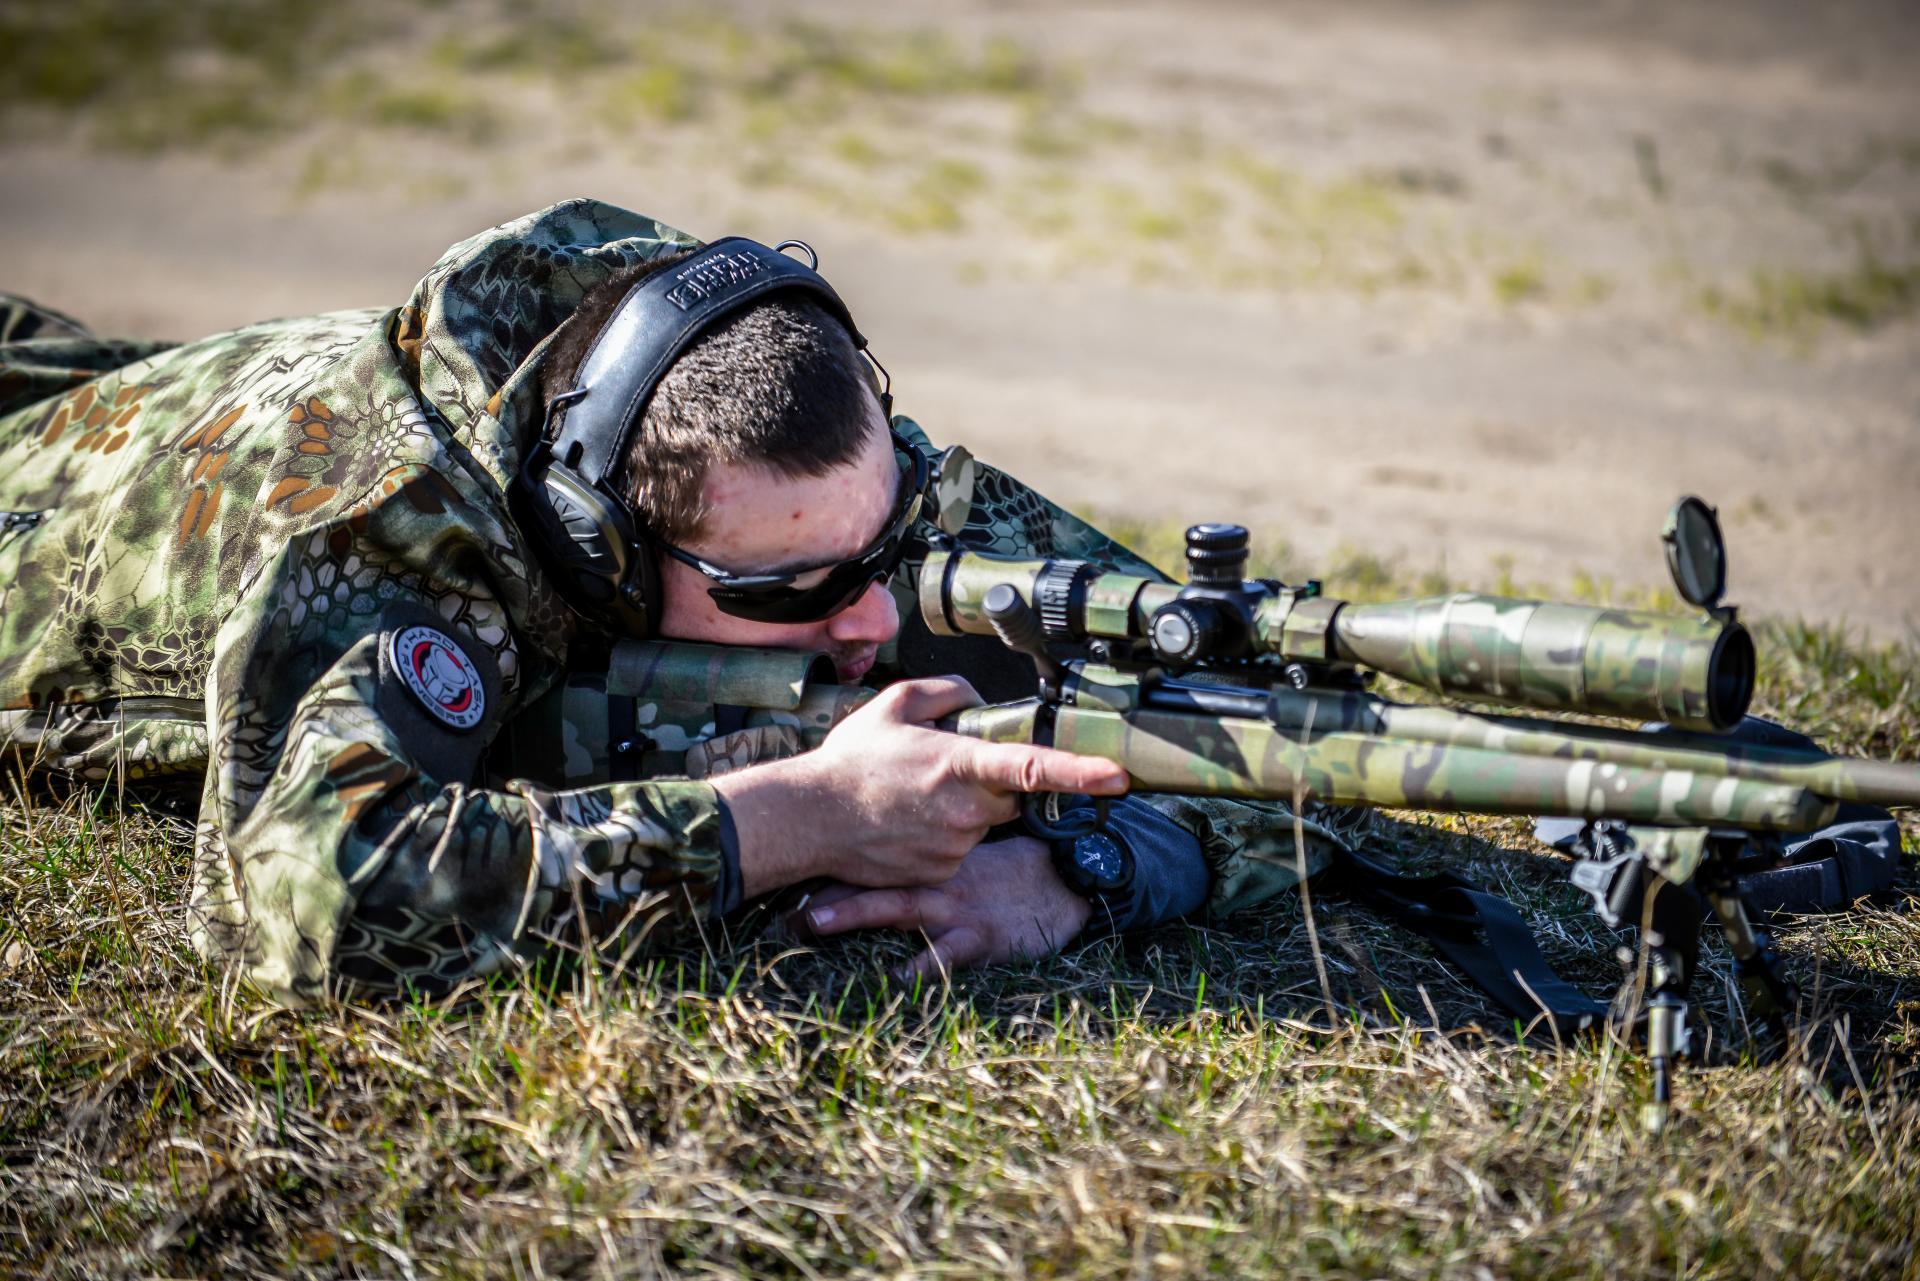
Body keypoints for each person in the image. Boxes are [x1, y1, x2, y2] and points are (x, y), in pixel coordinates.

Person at [0, 200, 1355, 1001]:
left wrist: (1080, 870)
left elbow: (1269, 706)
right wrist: (804, 816)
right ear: (601, 544)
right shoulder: (396, 532)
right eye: (790, 592)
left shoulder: (788, 437)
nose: (872, 621)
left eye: (883, 548)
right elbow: (303, 900)